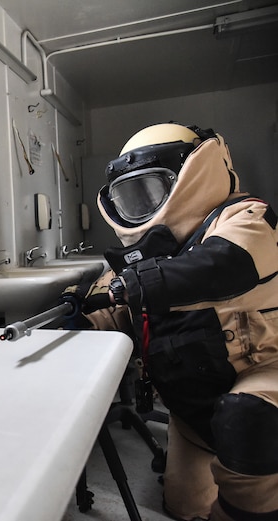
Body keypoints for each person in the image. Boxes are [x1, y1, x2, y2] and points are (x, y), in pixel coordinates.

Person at [67, 123, 278, 520]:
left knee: (248, 422)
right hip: (191, 412)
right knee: (184, 509)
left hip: (262, 379)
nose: (144, 204)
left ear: (195, 174)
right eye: (132, 195)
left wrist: (135, 283)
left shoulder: (246, 219)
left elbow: (219, 264)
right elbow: (110, 305)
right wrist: (74, 317)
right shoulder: (146, 258)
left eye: (154, 188)